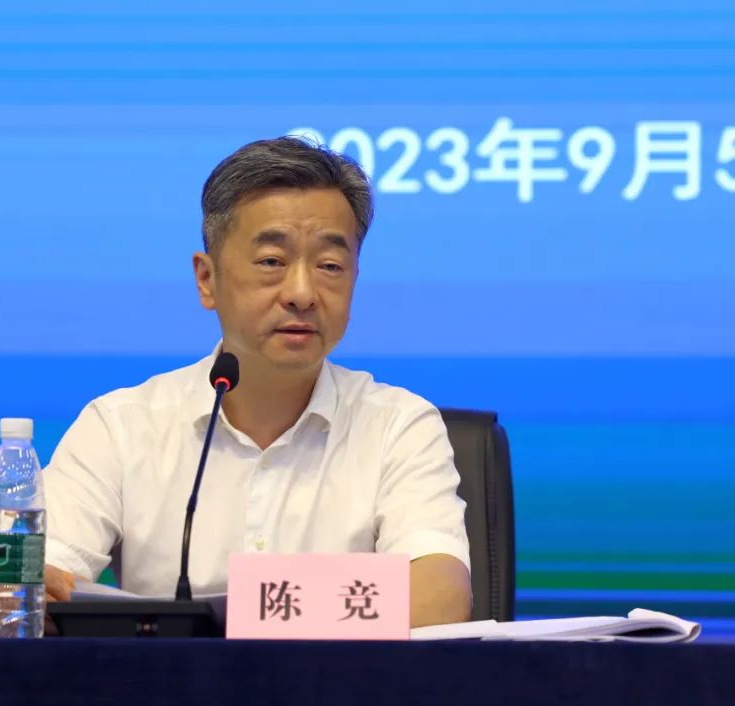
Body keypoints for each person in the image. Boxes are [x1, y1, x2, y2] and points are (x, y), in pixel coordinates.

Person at [42, 136, 472, 628]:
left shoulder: (398, 426)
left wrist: (227, 621)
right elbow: (26, 588)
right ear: (207, 280)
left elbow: (441, 599)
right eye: (272, 261)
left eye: (330, 266)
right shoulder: (120, 426)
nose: (302, 293)